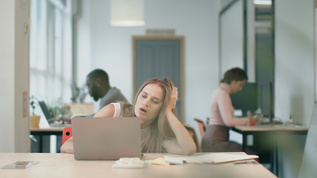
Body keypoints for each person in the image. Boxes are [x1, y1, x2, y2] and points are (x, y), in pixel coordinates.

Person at [61, 78, 196, 155]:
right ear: (137, 96)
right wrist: (111, 150)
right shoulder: (114, 112)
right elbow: (67, 146)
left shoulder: (158, 133)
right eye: (143, 96)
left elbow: (188, 148)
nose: (146, 103)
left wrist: (168, 109)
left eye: (155, 102)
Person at [201, 67, 259, 153]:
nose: (240, 89)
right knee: (251, 154)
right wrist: (248, 120)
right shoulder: (222, 94)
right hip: (216, 142)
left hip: (212, 139)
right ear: (233, 81)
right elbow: (229, 121)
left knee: (246, 151)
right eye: (240, 85)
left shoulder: (219, 91)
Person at [59, 69, 128, 123]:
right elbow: (95, 117)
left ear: (97, 82)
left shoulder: (110, 98)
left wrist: (70, 119)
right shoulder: (113, 93)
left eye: (89, 85)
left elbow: (93, 120)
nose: (88, 91)